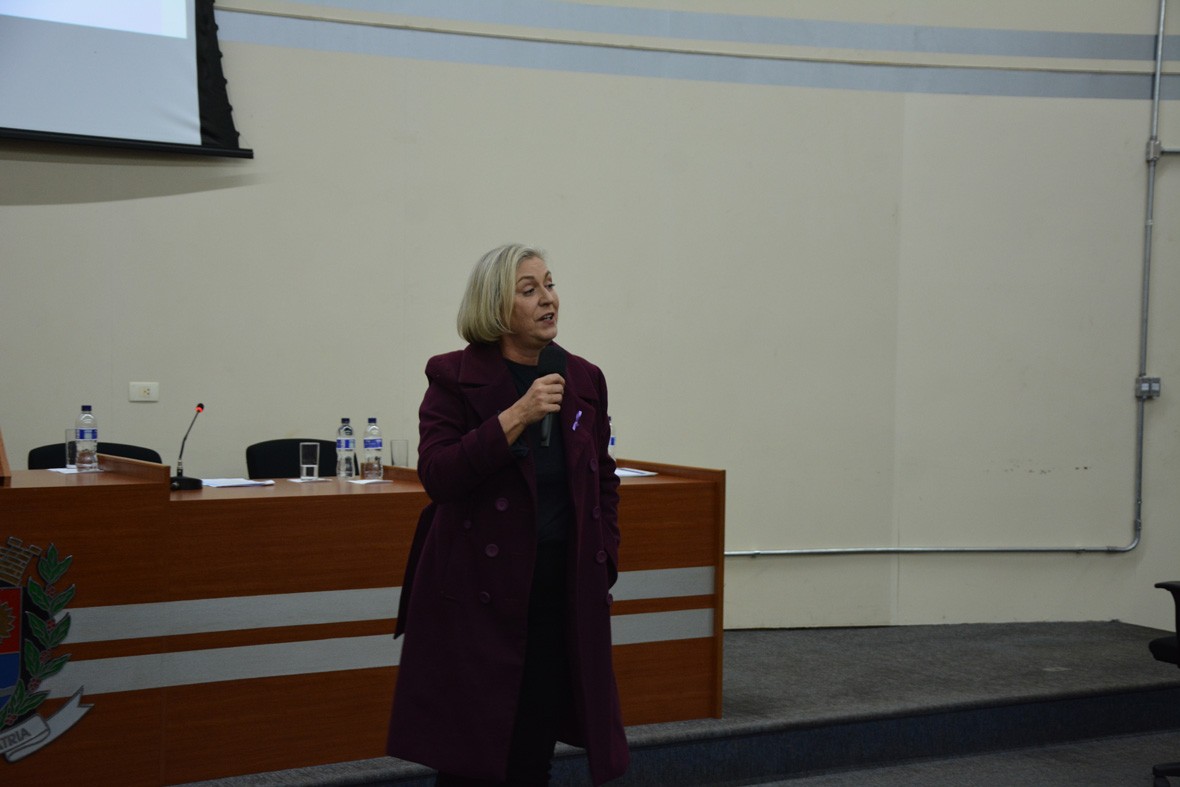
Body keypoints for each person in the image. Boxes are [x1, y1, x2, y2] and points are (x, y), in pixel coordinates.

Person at [387, 244, 629, 786]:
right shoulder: (453, 376)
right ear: (496, 307)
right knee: (471, 757)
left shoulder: (583, 377)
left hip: (557, 592)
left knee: (533, 749)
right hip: (480, 594)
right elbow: (439, 475)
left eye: (550, 284)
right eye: (529, 290)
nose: (548, 299)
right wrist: (515, 416)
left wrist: (604, 555)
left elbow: (603, 477)